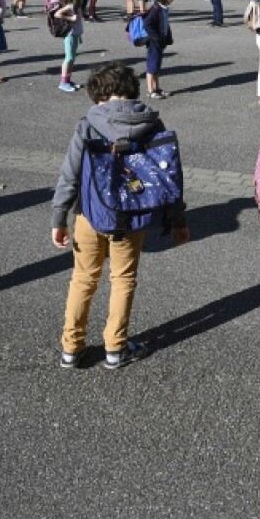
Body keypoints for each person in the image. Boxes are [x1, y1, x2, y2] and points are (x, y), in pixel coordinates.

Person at [51, 62, 190, 370]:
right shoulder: (151, 123)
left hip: (90, 214)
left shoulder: (87, 124)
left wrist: (59, 217)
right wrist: (177, 220)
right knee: (123, 278)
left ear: (98, 93)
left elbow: (69, 176)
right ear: (129, 88)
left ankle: (71, 348)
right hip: (132, 216)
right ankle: (115, 348)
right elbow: (170, 177)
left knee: (83, 279)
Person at [143, 0, 176, 99]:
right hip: (154, 43)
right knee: (152, 66)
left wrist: (168, 38)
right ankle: (150, 90)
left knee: (156, 66)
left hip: (160, 42)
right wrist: (156, 38)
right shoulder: (155, 9)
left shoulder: (163, 8)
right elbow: (147, 24)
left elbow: (165, 24)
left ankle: (156, 88)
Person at [55, 0, 86, 93]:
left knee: (72, 58)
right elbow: (57, 14)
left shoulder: (76, 5)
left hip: (75, 34)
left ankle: (68, 80)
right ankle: (63, 82)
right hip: (70, 35)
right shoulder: (70, 5)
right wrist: (70, 17)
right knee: (69, 58)